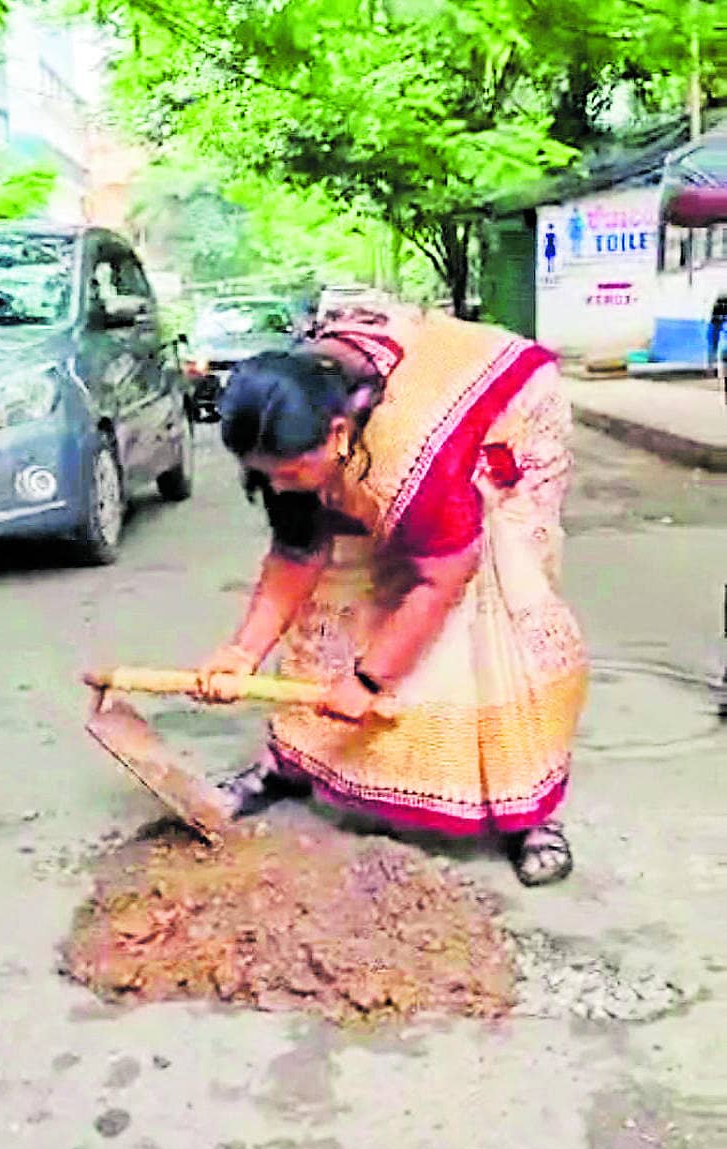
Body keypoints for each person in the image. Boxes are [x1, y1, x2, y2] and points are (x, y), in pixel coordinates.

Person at [195, 305, 587, 886]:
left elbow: (442, 580)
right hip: (377, 441)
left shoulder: (418, 455)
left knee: (493, 606)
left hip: (511, 409)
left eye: (291, 473)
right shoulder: (288, 429)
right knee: (339, 596)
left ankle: (527, 809)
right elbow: (298, 552)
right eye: (266, 473)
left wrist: (368, 681)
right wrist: (241, 653)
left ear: (336, 435)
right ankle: (291, 761)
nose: (277, 487)